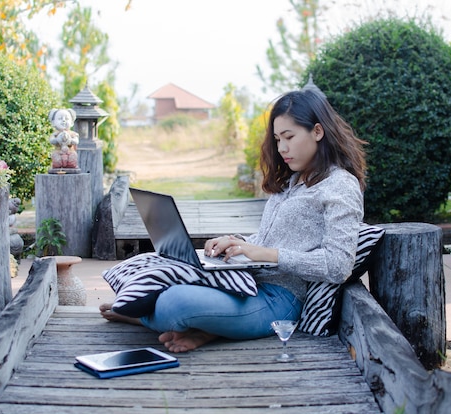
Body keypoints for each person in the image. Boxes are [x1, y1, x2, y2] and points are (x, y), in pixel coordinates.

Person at [100, 84, 367, 353]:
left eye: (289, 136)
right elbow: (267, 241)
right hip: (245, 281)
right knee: (151, 266)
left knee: (174, 303)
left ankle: (144, 317)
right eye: (277, 139)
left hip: (281, 299)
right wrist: (236, 243)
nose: (282, 148)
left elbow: (339, 264)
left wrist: (266, 254)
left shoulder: (340, 185)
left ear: (317, 131)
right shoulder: (293, 181)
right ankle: (206, 329)